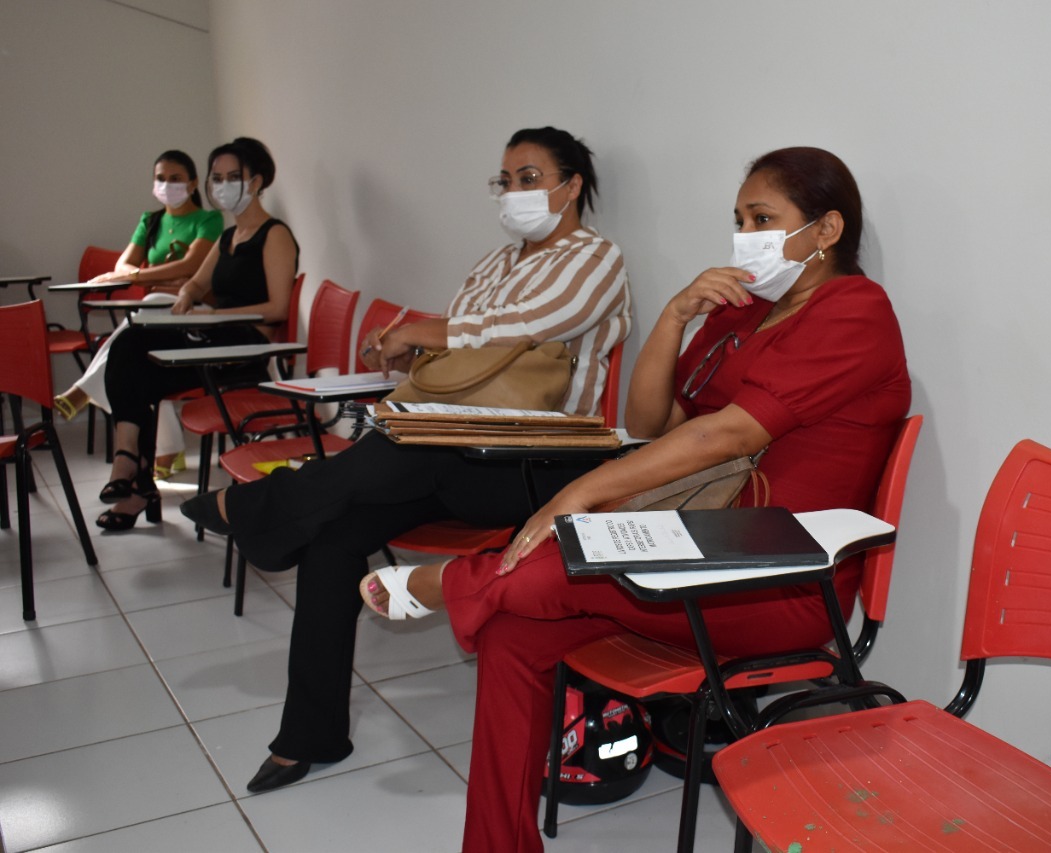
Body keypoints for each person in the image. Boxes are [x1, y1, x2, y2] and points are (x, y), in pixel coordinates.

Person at [356, 146, 911, 851]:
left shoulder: (856, 310)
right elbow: (650, 423)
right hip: (692, 547)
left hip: (776, 579)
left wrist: (578, 494)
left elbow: (729, 433)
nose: (745, 236)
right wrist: (676, 315)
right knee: (512, 631)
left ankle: (456, 581)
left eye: (762, 218)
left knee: (551, 567)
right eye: (739, 219)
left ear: (827, 229)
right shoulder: (744, 311)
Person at [178, 126, 632, 794]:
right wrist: (409, 348)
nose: (513, 191)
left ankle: (259, 507)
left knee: (395, 454)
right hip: (450, 449)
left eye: (529, 178)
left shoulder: (597, 258)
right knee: (334, 535)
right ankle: (310, 736)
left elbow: (522, 329)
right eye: (505, 180)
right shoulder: (494, 263)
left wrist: (424, 331)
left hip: (535, 462)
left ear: (571, 187)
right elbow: (464, 363)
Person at [96, 137, 297, 531]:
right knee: (130, 351)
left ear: (256, 181)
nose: (222, 186)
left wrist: (217, 314)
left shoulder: (274, 235)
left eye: (232, 177)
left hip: (244, 349)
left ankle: (132, 472)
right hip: (214, 338)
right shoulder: (229, 237)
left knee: (135, 356)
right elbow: (197, 282)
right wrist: (188, 295)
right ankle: (133, 468)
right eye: (216, 178)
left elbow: (278, 308)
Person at [54, 150, 224, 478]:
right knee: (139, 355)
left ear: (192, 184)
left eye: (175, 179)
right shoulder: (151, 220)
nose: (167, 185)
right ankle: (168, 450)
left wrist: (144, 277)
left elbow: (191, 267)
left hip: (195, 310)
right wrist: (157, 278)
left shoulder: (208, 220)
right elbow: (123, 265)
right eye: (160, 178)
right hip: (157, 311)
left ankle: (84, 390)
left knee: (142, 320)